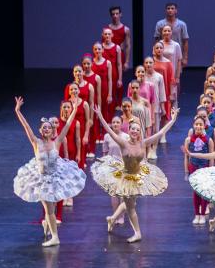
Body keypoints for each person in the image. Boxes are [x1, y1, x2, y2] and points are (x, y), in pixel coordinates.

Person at [91, 105, 179, 242]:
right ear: (129, 130)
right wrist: (100, 116)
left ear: (139, 132)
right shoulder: (123, 143)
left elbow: (160, 133)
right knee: (131, 206)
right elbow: (109, 131)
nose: (135, 131)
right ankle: (137, 232)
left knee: (130, 202)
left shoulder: (143, 143)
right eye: (133, 129)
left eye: (137, 130)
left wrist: (173, 119)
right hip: (125, 177)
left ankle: (112, 218)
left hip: (139, 176)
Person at [12, 97, 85, 247]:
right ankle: (51, 231)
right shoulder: (36, 142)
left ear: (52, 131)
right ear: (40, 130)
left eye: (49, 128)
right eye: (44, 127)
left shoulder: (56, 141)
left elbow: (68, 125)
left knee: (50, 209)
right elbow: (26, 127)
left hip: (55, 177)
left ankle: (54, 236)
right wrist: (18, 111)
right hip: (42, 179)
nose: (46, 129)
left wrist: (76, 109)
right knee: (49, 209)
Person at [94, 113, 129, 226]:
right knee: (113, 194)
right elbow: (105, 152)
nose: (115, 124)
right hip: (111, 168)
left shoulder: (126, 137)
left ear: (121, 124)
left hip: (123, 167)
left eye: (117, 122)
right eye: (113, 122)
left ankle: (122, 216)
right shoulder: (107, 136)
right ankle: (115, 216)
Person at [183, 116, 215, 225]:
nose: (198, 126)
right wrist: (186, 171)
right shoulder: (188, 140)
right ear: (193, 125)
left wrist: (210, 172)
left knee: (204, 192)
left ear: (204, 126)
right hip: (194, 167)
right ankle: (196, 214)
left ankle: (202, 214)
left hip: (204, 168)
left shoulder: (209, 140)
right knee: (196, 192)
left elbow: (211, 157)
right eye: (196, 124)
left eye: (200, 124)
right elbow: (186, 157)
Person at [153, 2, 189, 68]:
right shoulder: (160, 24)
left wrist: (185, 57)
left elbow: (185, 41)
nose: (170, 10)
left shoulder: (182, 24)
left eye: (172, 8)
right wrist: (155, 55)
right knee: (163, 75)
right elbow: (156, 40)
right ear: (166, 10)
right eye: (168, 8)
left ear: (176, 11)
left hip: (176, 54)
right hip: (162, 54)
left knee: (176, 76)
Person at [101, 27, 124, 107]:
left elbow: (119, 64)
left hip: (114, 73)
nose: (107, 35)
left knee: (113, 92)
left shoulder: (117, 47)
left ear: (112, 35)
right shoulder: (100, 47)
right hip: (102, 73)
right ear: (103, 35)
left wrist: (120, 79)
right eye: (105, 34)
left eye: (109, 34)